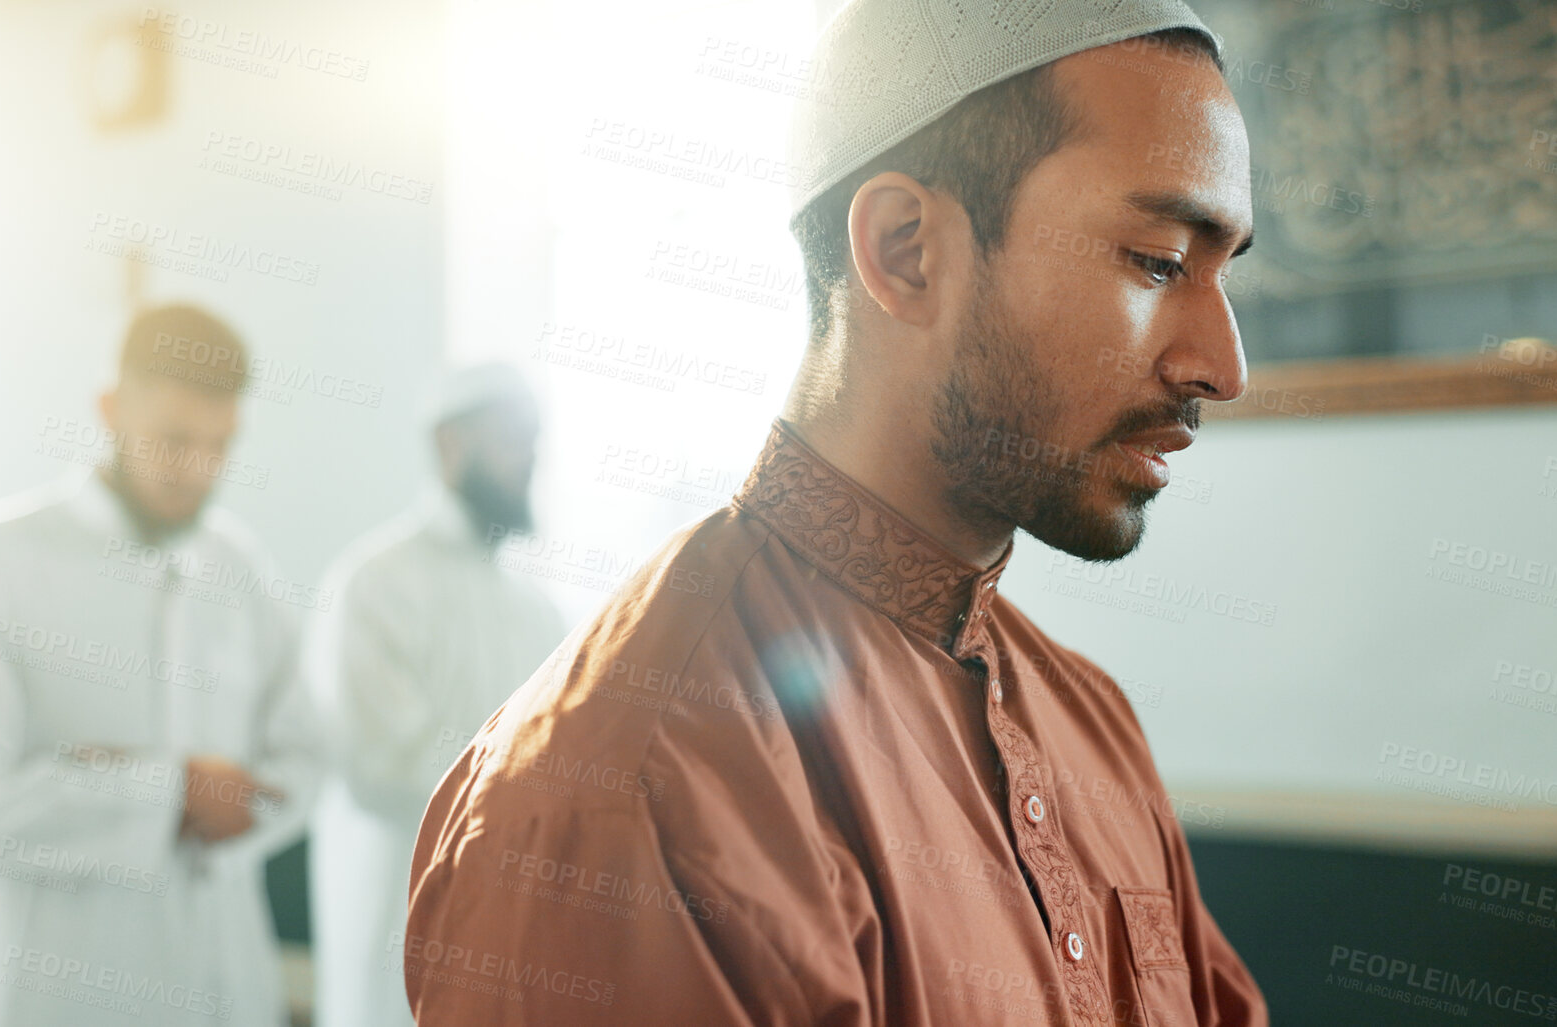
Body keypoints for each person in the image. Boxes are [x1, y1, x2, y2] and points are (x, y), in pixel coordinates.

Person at [404, 0, 1267, 1023]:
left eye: (1221, 273)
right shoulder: (634, 784)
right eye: (1158, 260)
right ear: (905, 250)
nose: (1223, 366)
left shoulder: (1092, 726)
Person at [0, 305, 319, 1027]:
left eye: (221, 444)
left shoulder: (236, 567)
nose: (199, 470)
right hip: (39, 989)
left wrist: (224, 802)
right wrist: (168, 792)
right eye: (173, 439)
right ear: (110, 408)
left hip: (213, 976)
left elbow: (302, 758)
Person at [309, 363, 567, 1027]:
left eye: (536, 439)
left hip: (511, 930)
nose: (530, 457)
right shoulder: (375, 582)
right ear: (449, 444)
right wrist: (533, 798)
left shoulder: (538, 610)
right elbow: (381, 766)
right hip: (395, 917)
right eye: (513, 438)